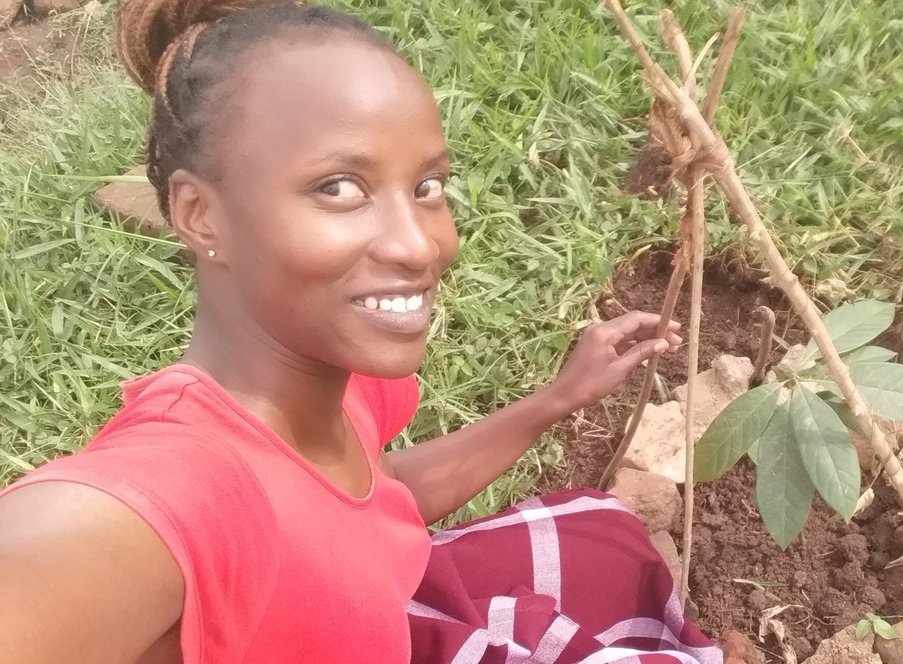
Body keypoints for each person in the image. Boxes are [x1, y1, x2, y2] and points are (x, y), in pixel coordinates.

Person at [0, 0, 723, 662]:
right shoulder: (184, 492)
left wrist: (554, 400)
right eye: (339, 188)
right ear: (199, 215)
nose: (420, 244)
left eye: (427, 187)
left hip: (388, 623)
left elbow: (373, 500)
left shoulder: (329, 380)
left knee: (606, 546)